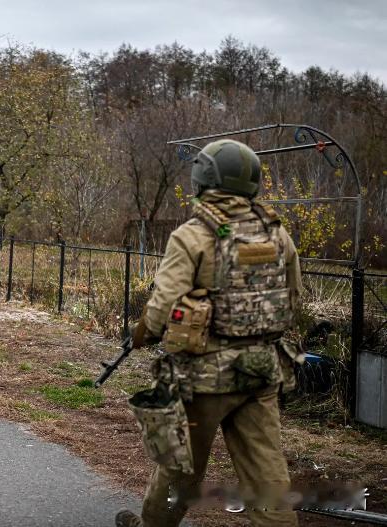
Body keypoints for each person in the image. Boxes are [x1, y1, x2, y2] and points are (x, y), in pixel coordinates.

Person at [115, 139, 302, 527]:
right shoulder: (277, 233)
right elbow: (293, 296)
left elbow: (163, 305)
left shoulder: (194, 234)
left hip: (205, 378)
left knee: (179, 469)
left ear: (204, 179)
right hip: (261, 372)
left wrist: (143, 334)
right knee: (268, 479)